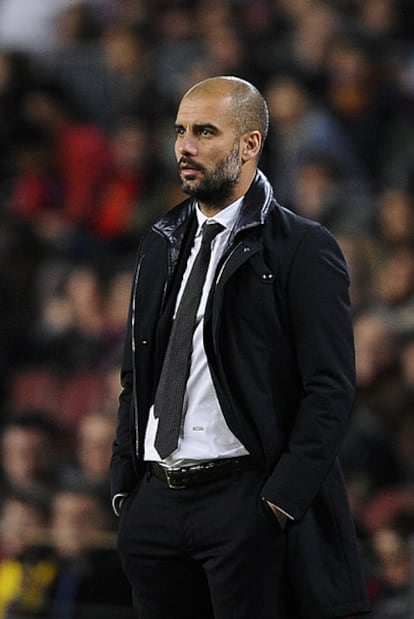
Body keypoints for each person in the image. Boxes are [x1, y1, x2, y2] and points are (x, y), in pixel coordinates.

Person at [110, 75, 370, 619]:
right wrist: (124, 489)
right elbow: (138, 376)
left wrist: (278, 504)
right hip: (155, 503)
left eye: (205, 132)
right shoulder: (160, 240)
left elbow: (331, 389)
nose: (184, 146)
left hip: (243, 502)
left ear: (250, 144)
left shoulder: (302, 247)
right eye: (180, 131)